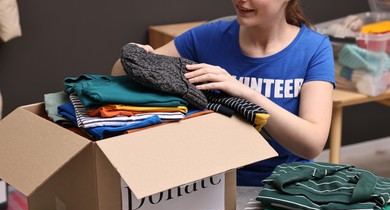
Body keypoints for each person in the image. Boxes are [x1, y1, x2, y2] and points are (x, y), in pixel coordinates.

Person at [111, 0, 335, 186]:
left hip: (285, 188)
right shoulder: (208, 36)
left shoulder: (314, 48)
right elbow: (121, 75)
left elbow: (311, 144)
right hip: (212, 186)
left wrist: (245, 93)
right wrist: (135, 56)